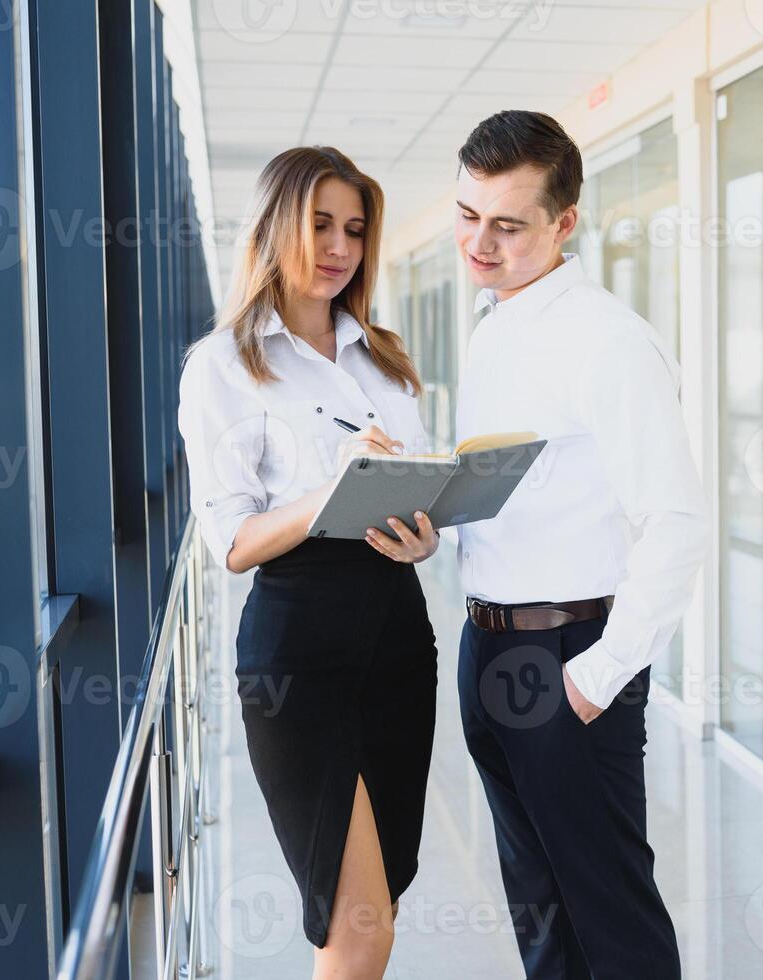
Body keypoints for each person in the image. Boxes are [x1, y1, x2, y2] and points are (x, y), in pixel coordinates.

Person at [451, 110, 707, 979]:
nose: (480, 243)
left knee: (609, 916)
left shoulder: (607, 340)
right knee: (538, 909)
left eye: (508, 225)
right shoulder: (493, 324)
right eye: (467, 215)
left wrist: (595, 682)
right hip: (487, 644)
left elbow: (673, 524)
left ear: (564, 224)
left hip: (568, 655)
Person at [177, 146, 440, 980]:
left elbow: (420, 486)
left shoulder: (385, 357)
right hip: (299, 650)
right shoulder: (225, 364)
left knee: (381, 904)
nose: (338, 247)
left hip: (399, 636)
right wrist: (333, 491)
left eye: (355, 230)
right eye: (320, 223)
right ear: (275, 225)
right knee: (356, 926)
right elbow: (233, 543)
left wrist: (426, 533)